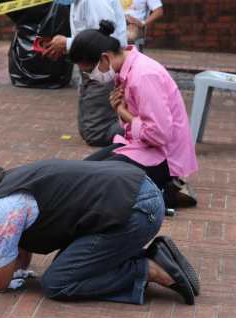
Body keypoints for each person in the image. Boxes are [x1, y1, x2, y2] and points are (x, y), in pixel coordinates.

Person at [0, 159, 199, 305]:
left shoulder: (0, 210)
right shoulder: (7, 183)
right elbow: (20, 258)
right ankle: (153, 256)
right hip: (136, 192)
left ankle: (148, 268)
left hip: (136, 210)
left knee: (58, 283)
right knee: (67, 268)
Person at [71, 21, 198, 208]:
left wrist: (123, 112)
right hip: (142, 146)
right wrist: (122, 113)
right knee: (80, 172)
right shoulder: (126, 70)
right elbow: (139, 126)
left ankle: (162, 191)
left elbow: (160, 134)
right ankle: (155, 188)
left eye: (90, 70)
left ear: (105, 58)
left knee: (95, 182)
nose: (91, 76)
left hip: (163, 157)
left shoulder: (143, 76)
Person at [43, 0, 127, 147]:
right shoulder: (78, 3)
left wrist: (67, 43)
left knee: (95, 133)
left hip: (103, 67)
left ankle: (140, 130)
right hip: (91, 65)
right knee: (87, 128)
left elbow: (103, 40)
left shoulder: (95, 2)